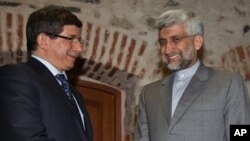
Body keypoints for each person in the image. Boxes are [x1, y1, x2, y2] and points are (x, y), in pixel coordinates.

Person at [134, 9, 250, 141]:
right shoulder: (149, 94)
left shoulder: (228, 84)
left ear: (197, 42)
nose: (167, 49)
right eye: (162, 42)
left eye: (176, 39)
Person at [0, 5, 93, 141]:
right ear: (44, 41)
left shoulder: (74, 93)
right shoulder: (16, 78)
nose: (78, 48)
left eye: (79, 41)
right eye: (71, 39)